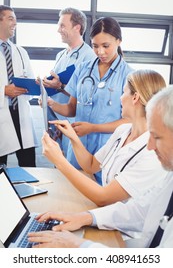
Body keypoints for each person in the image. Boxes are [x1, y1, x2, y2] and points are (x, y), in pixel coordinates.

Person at [28, 85, 173, 248]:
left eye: (157, 137)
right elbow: (139, 211)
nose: (150, 146)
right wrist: (85, 217)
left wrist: (78, 246)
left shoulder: (153, 160)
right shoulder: (169, 179)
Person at [41, 69, 167, 206]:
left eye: (124, 92)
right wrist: (72, 136)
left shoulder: (153, 152)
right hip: (109, 215)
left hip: (126, 225)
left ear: (135, 97)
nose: (120, 98)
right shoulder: (123, 131)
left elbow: (103, 197)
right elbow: (91, 165)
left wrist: (59, 161)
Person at [47, 17, 133, 183]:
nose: (100, 52)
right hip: (78, 146)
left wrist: (93, 128)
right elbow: (72, 108)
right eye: (95, 46)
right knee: (73, 192)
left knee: (100, 197)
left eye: (105, 46)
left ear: (119, 41)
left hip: (107, 150)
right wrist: (51, 104)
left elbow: (128, 121)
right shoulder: (83, 69)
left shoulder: (128, 75)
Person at [40, 7, 96, 157]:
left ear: (77, 27)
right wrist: (44, 84)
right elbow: (57, 83)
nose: (58, 30)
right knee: (57, 163)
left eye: (62, 25)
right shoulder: (61, 55)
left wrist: (60, 86)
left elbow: (86, 95)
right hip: (55, 118)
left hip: (71, 121)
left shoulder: (89, 56)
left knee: (71, 164)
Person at [0, 5, 37, 167]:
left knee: (29, 163)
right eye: (10, 19)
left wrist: (33, 85)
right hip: (1, 113)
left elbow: (30, 79)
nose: (15, 23)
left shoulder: (21, 52)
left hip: (20, 113)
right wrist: (3, 90)